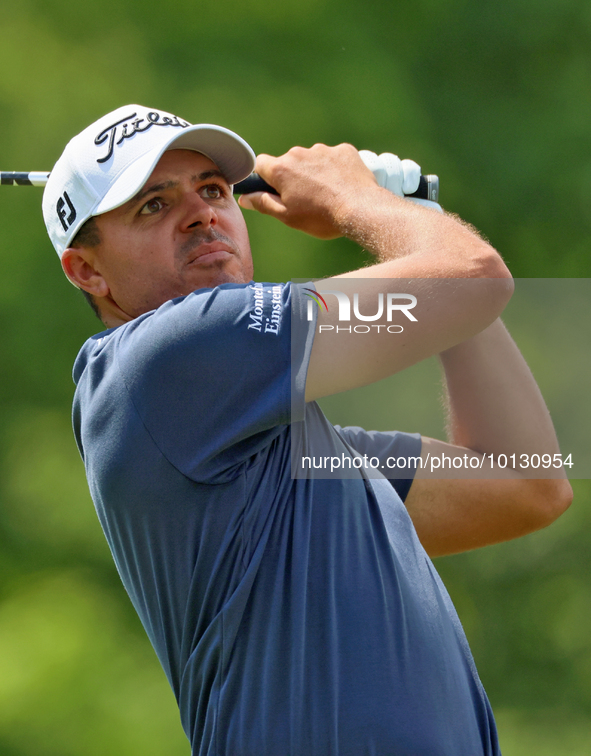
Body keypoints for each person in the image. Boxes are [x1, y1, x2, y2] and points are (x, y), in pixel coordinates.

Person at [43, 104, 571, 756]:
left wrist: (422, 226)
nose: (202, 213)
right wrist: (362, 204)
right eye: (151, 205)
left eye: (211, 189)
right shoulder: (164, 356)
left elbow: (524, 484)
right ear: (87, 271)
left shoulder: (286, 443)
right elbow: (474, 278)